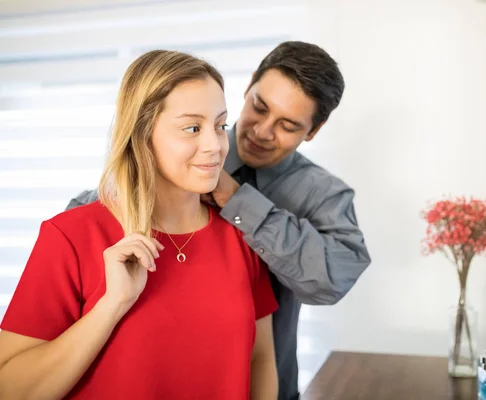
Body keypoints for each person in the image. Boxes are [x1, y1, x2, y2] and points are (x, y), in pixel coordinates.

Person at [66, 41, 371, 400]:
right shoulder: (187, 150)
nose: (261, 131)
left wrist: (237, 200)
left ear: (314, 130)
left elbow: (332, 280)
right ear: (249, 85)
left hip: (267, 384)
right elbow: (89, 215)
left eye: (287, 125)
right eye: (259, 107)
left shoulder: (324, 195)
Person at [0, 50, 279, 400]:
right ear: (141, 133)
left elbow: (261, 360)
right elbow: (11, 390)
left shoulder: (240, 237)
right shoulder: (70, 237)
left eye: (220, 125)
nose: (215, 145)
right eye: (192, 128)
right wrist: (111, 305)